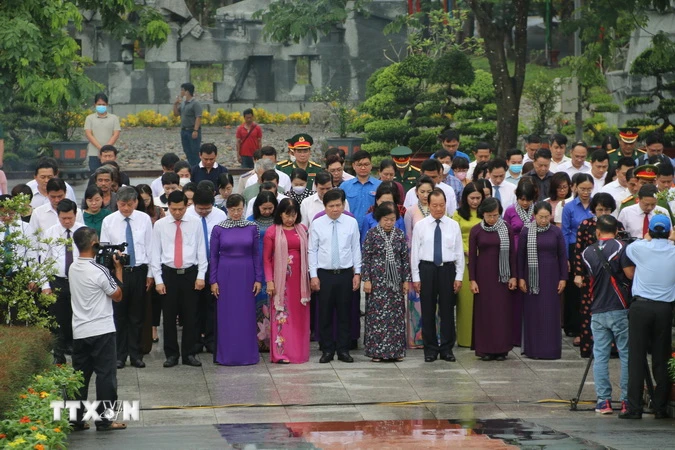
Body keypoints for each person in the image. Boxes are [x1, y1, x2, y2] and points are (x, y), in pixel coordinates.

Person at [68, 226, 125, 432]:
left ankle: (76, 419)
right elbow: (117, 295)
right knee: (105, 376)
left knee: (80, 377)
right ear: (94, 244)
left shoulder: (72, 268)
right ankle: (105, 420)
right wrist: (118, 269)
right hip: (101, 330)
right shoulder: (99, 270)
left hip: (80, 331)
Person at [619, 215, 675, 419]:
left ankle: (634, 408)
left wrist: (648, 238)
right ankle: (660, 406)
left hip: (640, 307)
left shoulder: (639, 248)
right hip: (664, 309)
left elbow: (632, 249)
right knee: (662, 357)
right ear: (669, 231)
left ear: (650, 231)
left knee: (636, 357)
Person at [580, 214, 634, 415]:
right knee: (626, 354)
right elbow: (630, 275)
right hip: (619, 307)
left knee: (600, 356)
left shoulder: (587, 252)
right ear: (617, 231)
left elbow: (592, 276)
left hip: (598, 309)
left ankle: (603, 402)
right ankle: (627, 400)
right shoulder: (622, 248)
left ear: (598, 231)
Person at [151, 190, 208, 368]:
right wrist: (158, 280)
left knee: (191, 315)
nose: (177, 213)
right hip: (169, 274)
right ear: (168, 207)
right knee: (168, 317)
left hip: (190, 273)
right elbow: (155, 253)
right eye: (174, 209)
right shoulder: (160, 225)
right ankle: (171, 354)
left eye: (181, 209)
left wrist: (201, 276)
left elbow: (201, 250)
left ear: (186, 206)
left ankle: (189, 353)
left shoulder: (195, 223)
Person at [100, 186, 154, 369]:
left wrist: (151, 274)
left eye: (129, 205)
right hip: (118, 272)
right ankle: (119, 355)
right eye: (122, 205)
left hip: (139, 271)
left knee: (136, 315)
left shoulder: (144, 219)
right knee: (119, 315)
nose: (126, 209)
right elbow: (104, 250)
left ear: (136, 202)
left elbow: (150, 247)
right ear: (117, 203)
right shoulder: (109, 221)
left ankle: (136, 354)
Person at [410, 188, 464, 362]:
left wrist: (459, 276)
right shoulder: (421, 225)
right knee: (428, 310)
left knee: (447, 310)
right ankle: (430, 349)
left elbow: (458, 253)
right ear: (428, 204)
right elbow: (415, 255)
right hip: (427, 270)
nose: (438, 209)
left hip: (447, 270)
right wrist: (416, 278)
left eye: (442, 205)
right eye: (435, 205)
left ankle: (447, 349)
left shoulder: (453, 224)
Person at [309, 189, 362, 363]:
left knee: (345, 313)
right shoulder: (317, 224)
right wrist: (314, 275)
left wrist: (358, 273)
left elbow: (355, 248)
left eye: (338, 205)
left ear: (343, 204)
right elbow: (312, 250)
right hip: (325, 274)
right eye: (331, 206)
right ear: (324, 206)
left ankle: (343, 349)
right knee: (324, 313)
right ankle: (327, 349)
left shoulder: (351, 222)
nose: (335, 209)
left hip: (345, 273)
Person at [209, 194, 262, 365]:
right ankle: (227, 355)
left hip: (246, 274)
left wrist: (258, 278)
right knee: (227, 315)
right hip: (225, 274)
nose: (237, 213)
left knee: (245, 314)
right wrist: (213, 281)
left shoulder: (252, 227)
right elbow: (213, 257)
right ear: (227, 209)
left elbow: (256, 254)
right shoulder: (219, 228)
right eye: (233, 210)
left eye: (239, 209)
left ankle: (248, 354)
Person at [573, 193, 624, 358]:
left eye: (607, 209)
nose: (603, 212)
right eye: (600, 209)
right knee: (589, 310)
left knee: (614, 308)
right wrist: (578, 274)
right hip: (591, 275)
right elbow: (579, 250)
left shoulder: (618, 226)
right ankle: (590, 346)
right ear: (594, 209)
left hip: (613, 276)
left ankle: (614, 348)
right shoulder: (586, 225)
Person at [469, 197, 517, 360]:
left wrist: (513, 276)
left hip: (502, 277)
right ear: (483, 214)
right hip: (483, 276)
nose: (492, 219)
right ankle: (485, 349)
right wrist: (472, 279)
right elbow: (473, 258)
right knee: (485, 312)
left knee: (501, 312)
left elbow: (512, 254)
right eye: (489, 215)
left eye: (495, 215)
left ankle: (501, 348)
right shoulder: (476, 230)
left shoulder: (507, 229)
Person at [518, 202, 568, 359]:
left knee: (550, 313)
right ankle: (534, 350)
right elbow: (520, 256)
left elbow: (562, 255)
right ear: (534, 216)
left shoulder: (555, 232)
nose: (544, 220)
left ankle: (551, 350)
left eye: (547, 217)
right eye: (541, 217)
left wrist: (563, 278)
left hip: (551, 276)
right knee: (534, 313)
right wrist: (520, 277)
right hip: (532, 277)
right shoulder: (526, 231)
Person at [362, 202, 411, 362]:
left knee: (395, 317)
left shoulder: (399, 235)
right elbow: (366, 258)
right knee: (376, 317)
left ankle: (395, 351)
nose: (389, 222)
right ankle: (376, 352)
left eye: (392, 219)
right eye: (385, 219)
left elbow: (404, 258)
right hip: (377, 282)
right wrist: (367, 279)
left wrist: (405, 280)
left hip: (394, 283)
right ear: (379, 219)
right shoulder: (372, 234)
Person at [263, 198, 310, 364]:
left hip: (300, 282)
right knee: (281, 316)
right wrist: (270, 281)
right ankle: (281, 354)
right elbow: (267, 259)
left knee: (299, 317)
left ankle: (299, 353)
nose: (290, 218)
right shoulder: (272, 232)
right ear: (280, 214)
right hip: (281, 281)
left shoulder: (303, 230)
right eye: (287, 215)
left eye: (294, 215)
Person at [41, 199, 85, 364]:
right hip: (58, 281)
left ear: (75, 215)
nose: (67, 222)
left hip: (79, 282)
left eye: (70, 218)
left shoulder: (83, 232)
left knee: (78, 318)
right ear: (58, 216)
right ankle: (58, 356)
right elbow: (44, 261)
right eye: (63, 218)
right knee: (58, 320)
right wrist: (45, 286)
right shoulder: (50, 233)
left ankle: (79, 354)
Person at [186, 188, 227, 355]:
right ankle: (195, 340)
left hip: (213, 263)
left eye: (207, 209)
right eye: (200, 209)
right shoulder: (187, 215)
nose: (203, 212)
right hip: (193, 264)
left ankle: (211, 339)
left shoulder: (220, 215)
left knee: (212, 304)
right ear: (194, 204)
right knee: (194, 305)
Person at [503, 178, 537, 346]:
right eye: (521, 199)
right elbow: (504, 233)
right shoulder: (510, 211)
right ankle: (514, 335)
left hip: (533, 255)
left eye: (528, 199)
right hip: (514, 253)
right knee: (515, 297)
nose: (524, 203)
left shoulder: (537, 211)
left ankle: (531, 333)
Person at [561, 173, 594, 339]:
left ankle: (589, 325)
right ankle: (573, 326)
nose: (586, 192)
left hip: (593, 249)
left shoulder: (596, 205)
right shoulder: (569, 207)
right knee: (574, 290)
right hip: (575, 249)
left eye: (589, 189)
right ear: (575, 187)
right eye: (582, 189)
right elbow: (565, 232)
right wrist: (566, 257)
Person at [403, 176, 435, 348]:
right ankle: (415, 338)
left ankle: (433, 337)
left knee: (434, 301)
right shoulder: (410, 211)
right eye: (422, 192)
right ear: (416, 192)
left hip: (434, 260)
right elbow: (408, 239)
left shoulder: (437, 209)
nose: (425, 195)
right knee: (416, 301)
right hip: (415, 260)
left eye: (429, 192)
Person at [451, 182, 484, 348]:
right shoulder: (457, 214)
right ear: (465, 198)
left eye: (478, 198)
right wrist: (466, 250)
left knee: (482, 301)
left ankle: (482, 338)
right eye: (472, 198)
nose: (475, 201)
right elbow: (454, 236)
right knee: (465, 301)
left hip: (483, 259)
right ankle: (465, 338)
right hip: (463, 260)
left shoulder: (486, 214)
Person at [247, 191, 278, 352]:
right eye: (264, 208)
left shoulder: (279, 221)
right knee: (256, 299)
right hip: (255, 262)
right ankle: (258, 339)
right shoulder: (250, 222)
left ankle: (274, 339)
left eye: (270, 208)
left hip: (275, 262)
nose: (267, 211)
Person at [341, 150, 382, 229]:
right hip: (350, 228)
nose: (363, 168)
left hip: (374, 229)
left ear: (371, 165)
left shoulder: (380, 185)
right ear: (353, 166)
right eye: (359, 165)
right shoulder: (345, 186)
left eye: (366, 164)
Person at [84, 93, 121, 172]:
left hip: (109, 155)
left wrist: (106, 149)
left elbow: (116, 134)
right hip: (94, 153)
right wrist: (101, 149)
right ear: (95, 105)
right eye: (99, 104)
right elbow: (88, 134)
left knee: (111, 174)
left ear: (107, 104)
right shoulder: (89, 118)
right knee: (95, 175)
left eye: (103, 104)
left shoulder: (114, 118)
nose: (101, 106)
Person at [173, 82, 202, 166]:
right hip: (184, 130)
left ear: (187, 92)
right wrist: (175, 104)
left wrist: (195, 130)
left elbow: (198, 117)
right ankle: (191, 166)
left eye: (182, 90)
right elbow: (176, 114)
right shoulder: (183, 103)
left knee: (194, 151)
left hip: (192, 130)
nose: (181, 92)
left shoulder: (195, 103)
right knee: (187, 150)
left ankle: (196, 167)